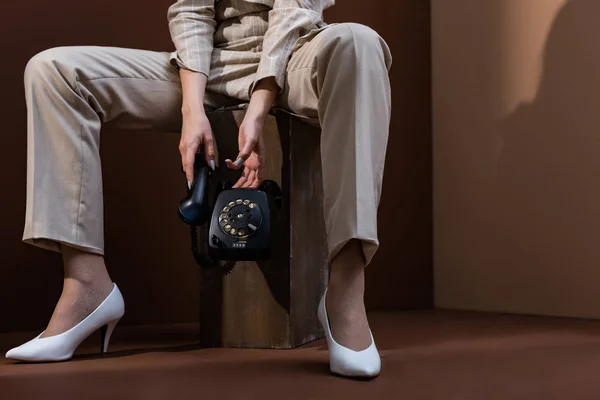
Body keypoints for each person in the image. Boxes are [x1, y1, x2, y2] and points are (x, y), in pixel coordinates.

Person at [5, 0, 391, 378]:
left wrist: (258, 107)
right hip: (207, 67)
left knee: (359, 42)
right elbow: (192, 10)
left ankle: (345, 289)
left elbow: (293, 12)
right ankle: (86, 285)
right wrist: (192, 110)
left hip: (295, 59)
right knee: (53, 70)